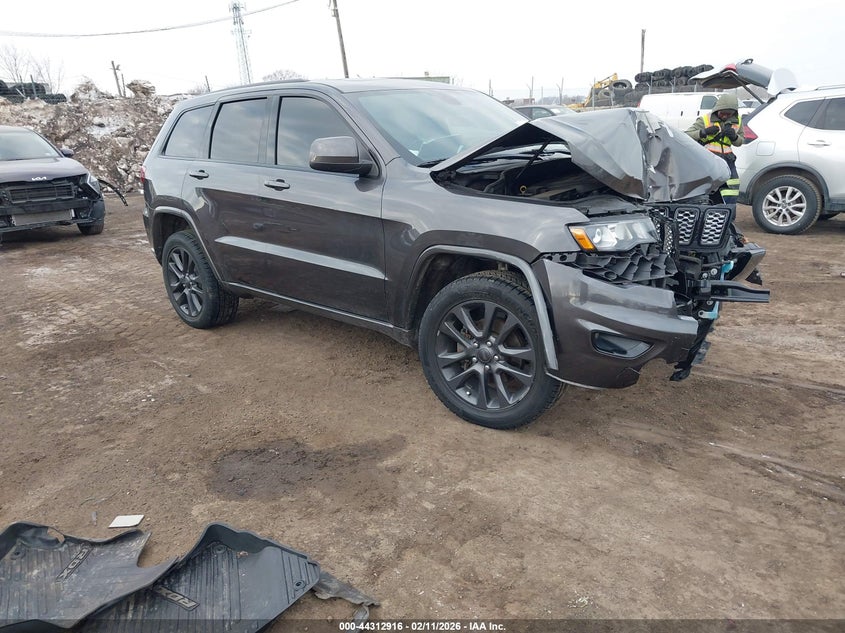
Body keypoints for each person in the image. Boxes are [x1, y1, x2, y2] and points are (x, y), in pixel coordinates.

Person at [685, 93, 745, 205]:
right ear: (717, 109)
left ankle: (728, 211)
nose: (725, 116)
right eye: (723, 113)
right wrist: (704, 132)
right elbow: (687, 134)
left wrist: (734, 137)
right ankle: (706, 210)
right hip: (708, 159)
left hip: (728, 161)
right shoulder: (705, 119)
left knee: (732, 187)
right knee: (706, 188)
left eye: (729, 114)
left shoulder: (738, 121)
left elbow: (740, 142)